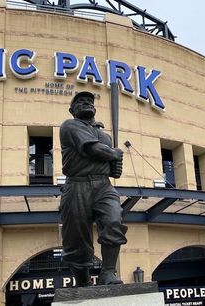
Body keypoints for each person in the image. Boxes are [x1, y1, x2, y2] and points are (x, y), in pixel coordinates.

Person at [59, 91, 127, 286]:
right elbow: (93, 149)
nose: (86, 103)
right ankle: (82, 281)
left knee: (114, 220)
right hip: (77, 185)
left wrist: (115, 164)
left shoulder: (104, 136)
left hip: (103, 185)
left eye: (89, 101)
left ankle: (108, 273)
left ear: (95, 109)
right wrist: (114, 154)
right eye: (80, 102)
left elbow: (109, 162)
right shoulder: (70, 125)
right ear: (72, 110)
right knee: (76, 239)